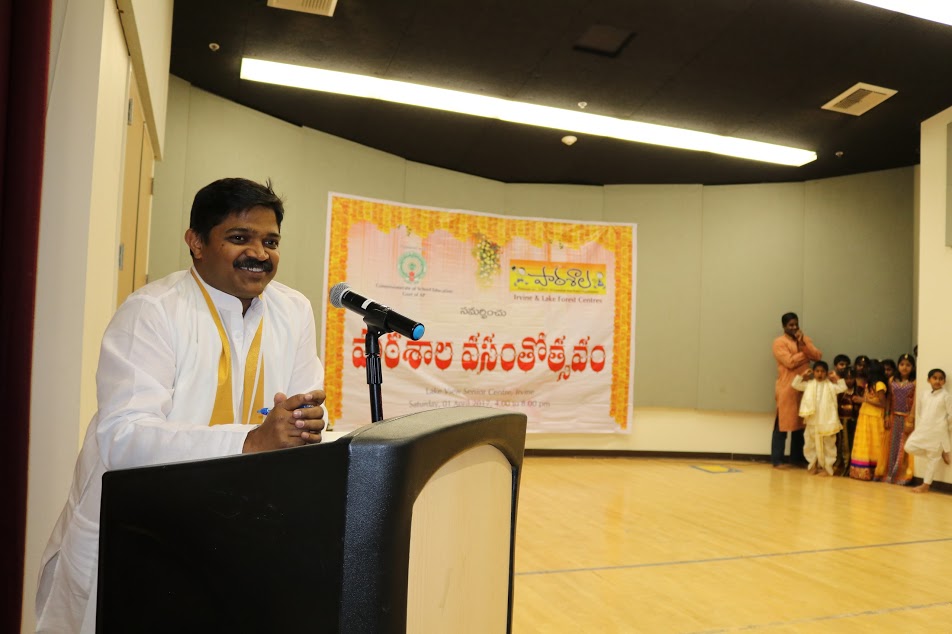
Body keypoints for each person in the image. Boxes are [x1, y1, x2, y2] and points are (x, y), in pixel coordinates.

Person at [35, 178, 328, 633]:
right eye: (240, 238)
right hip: (141, 530)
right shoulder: (152, 311)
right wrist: (251, 441)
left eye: (271, 242)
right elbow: (123, 438)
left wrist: (304, 425)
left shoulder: (293, 310)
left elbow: (298, 413)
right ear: (196, 242)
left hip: (240, 532)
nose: (259, 253)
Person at [771, 312, 822, 468]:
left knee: (801, 424)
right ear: (784, 326)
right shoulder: (779, 342)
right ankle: (777, 460)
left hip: (805, 387)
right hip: (787, 387)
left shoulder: (804, 339)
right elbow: (789, 362)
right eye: (790, 325)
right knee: (782, 424)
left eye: (796, 324)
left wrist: (803, 344)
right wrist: (806, 353)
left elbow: (817, 356)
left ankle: (796, 458)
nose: (794, 328)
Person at [792, 361, 846, 476]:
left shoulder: (831, 386)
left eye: (822, 371)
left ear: (826, 373)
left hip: (827, 421)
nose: (820, 374)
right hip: (813, 420)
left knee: (829, 445)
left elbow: (843, 387)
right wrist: (803, 375)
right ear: (813, 372)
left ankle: (828, 468)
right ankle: (813, 465)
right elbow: (795, 385)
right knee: (810, 443)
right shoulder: (809, 385)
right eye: (817, 371)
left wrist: (836, 377)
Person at [906, 368, 952, 493]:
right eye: (934, 378)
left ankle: (925, 485)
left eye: (941, 379)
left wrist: (944, 426)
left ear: (944, 381)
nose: (937, 381)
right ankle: (940, 451)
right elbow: (920, 411)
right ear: (928, 380)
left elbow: (951, 415)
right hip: (924, 429)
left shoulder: (946, 396)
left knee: (933, 458)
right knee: (909, 447)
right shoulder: (924, 394)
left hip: (938, 431)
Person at [849, 360, 889, 481]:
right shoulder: (869, 383)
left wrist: (864, 400)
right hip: (865, 416)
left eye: (866, 368)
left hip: (874, 418)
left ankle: (875, 471)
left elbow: (883, 403)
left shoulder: (879, 384)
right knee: (864, 444)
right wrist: (861, 399)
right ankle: (861, 471)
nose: (864, 370)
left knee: (874, 444)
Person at [880, 353, 916, 485]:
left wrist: (911, 418)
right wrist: (887, 415)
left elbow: (915, 401)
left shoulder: (914, 382)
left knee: (905, 446)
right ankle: (890, 474)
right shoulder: (892, 380)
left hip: (907, 417)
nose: (904, 367)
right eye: (902, 364)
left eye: (908, 365)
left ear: (913, 367)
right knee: (892, 445)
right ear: (898, 366)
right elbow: (889, 398)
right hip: (894, 417)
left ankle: (902, 474)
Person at [833, 366, 858, 476]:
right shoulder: (839, 391)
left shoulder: (859, 391)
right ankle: (841, 466)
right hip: (841, 421)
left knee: (850, 444)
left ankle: (850, 467)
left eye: (851, 378)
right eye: (846, 378)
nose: (849, 381)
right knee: (841, 444)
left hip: (853, 421)